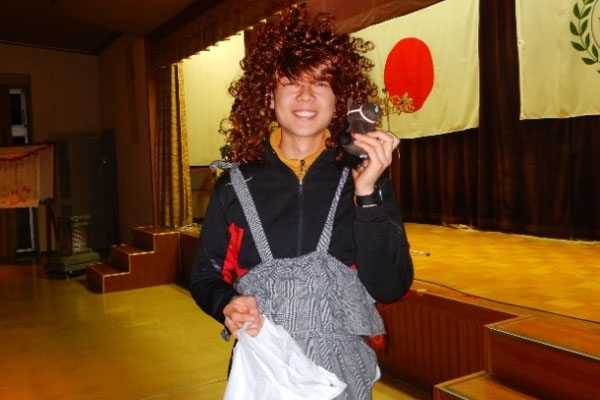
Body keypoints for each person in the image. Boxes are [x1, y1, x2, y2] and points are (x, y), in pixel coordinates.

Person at [190, 5, 413, 399]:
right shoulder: (234, 185)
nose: (306, 95)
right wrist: (227, 302)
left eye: (321, 82)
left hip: (341, 375)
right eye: (291, 81)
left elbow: (390, 286)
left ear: (339, 99)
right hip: (263, 367)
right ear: (269, 94)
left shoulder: (364, 178)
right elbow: (205, 276)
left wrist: (367, 195)